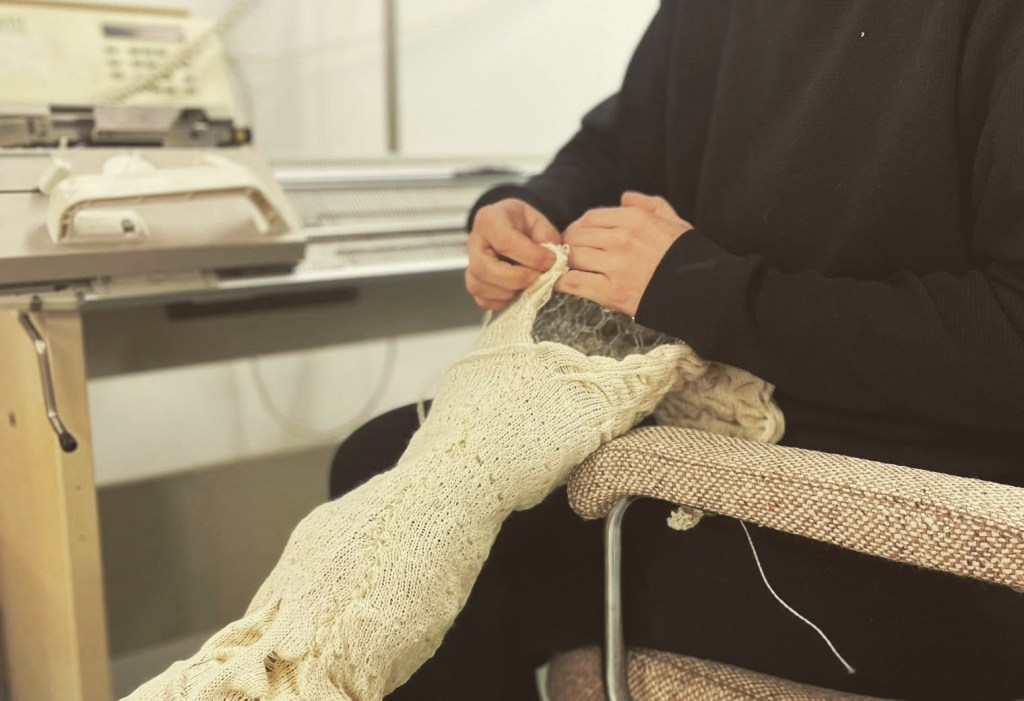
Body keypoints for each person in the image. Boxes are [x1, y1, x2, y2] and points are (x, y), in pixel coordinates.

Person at [331, 2, 1024, 699]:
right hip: (721, 445)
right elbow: (619, 149)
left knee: (409, 551)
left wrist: (704, 288)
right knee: (378, 471)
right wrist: (534, 209)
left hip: (909, 519)